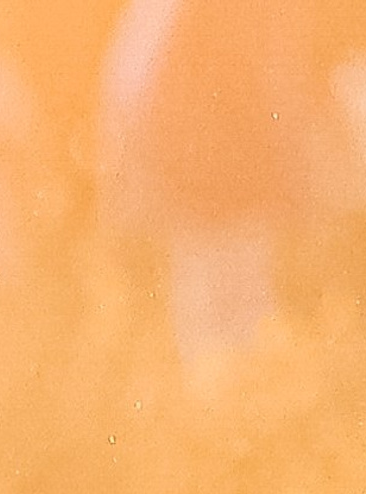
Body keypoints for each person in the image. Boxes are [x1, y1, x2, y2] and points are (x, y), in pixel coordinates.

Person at [101, 0, 316, 375]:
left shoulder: (159, 14)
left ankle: (231, 413)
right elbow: (281, 87)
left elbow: (126, 94)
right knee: (244, 325)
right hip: (229, 191)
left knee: (215, 333)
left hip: (200, 192)